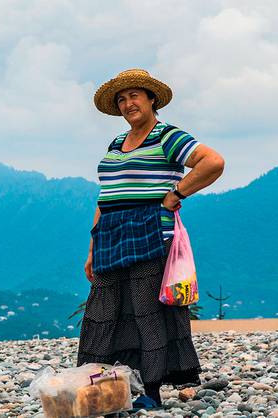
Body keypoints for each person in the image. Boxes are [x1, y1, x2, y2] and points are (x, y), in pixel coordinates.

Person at [77, 69, 224, 409]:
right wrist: (92, 247)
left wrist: (177, 193)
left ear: (151, 99)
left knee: (147, 310)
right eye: (122, 99)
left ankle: (151, 391)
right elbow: (106, 195)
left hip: (149, 231)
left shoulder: (166, 136)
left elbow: (213, 162)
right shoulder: (116, 144)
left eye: (134, 96)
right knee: (104, 310)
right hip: (111, 233)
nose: (128, 104)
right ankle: (109, 388)